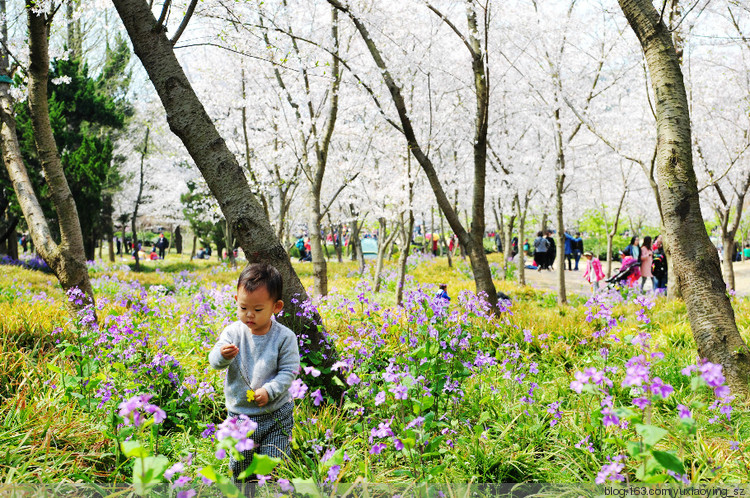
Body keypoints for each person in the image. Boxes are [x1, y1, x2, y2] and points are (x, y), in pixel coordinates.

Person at [209, 263, 299, 486]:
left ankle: (270, 487)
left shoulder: (285, 337)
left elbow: (290, 371)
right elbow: (214, 363)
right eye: (242, 308)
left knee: (272, 462)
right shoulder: (232, 332)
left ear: (276, 307)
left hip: (276, 414)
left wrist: (270, 391)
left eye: (258, 310)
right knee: (240, 468)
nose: (249, 315)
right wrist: (222, 355)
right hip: (240, 416)